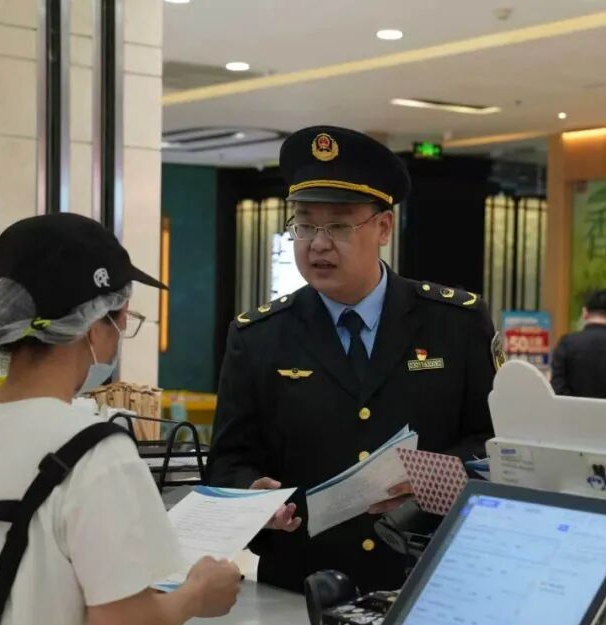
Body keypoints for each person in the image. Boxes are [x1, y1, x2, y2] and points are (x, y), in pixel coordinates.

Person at [0, 213, 250, 625]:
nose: (118, 336)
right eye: (122, 320)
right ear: (94, 325)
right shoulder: (95, 450)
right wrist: (196, 595)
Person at [208, 126, 497, 594]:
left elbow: (494, 446)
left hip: (428, 579)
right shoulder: (259, 335)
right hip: (303, 586)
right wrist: (252, 493)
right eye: (305, 225)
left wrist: (430, 479)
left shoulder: (455, 322)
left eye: (339, 226)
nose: (318, 244)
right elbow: (228, 462)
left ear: (383, 227)